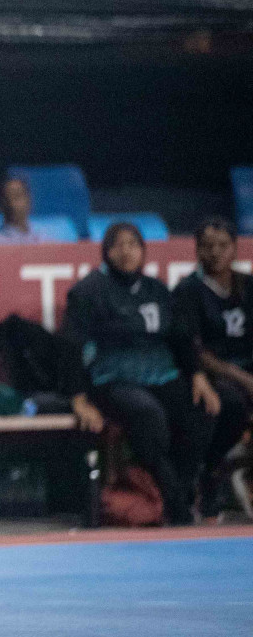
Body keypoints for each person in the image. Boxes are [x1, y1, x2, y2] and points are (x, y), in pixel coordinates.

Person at [60, 222, 236, 524]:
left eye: (133, 244)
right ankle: (174, 498)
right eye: (119, 244)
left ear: (143, 251)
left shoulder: (157, 290)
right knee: (147, 413)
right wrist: (78, 398)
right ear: (106, 251)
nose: (127, 251)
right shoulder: (88, 291)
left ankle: (182, 487)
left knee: (210, 406)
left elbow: (180, 338)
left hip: (160, 375)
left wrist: (197, 376)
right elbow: (70, 348)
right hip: (112, 379)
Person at [172, 216, 253, 516]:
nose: (215, 252)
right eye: (207, 246)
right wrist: (244, 379)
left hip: (246, 370)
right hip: (212, 374)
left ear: (235, 248)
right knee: (228, 404)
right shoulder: (188, 291)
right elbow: (193, 348)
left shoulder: (248, 286)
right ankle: (211, 471)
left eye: (222, 245)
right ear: (197, 251)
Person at [0, 175, 62, 243]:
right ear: (0, 205)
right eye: (7, 198)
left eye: (17, 196)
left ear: (29, 200)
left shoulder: (44, 239)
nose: (11, 203)